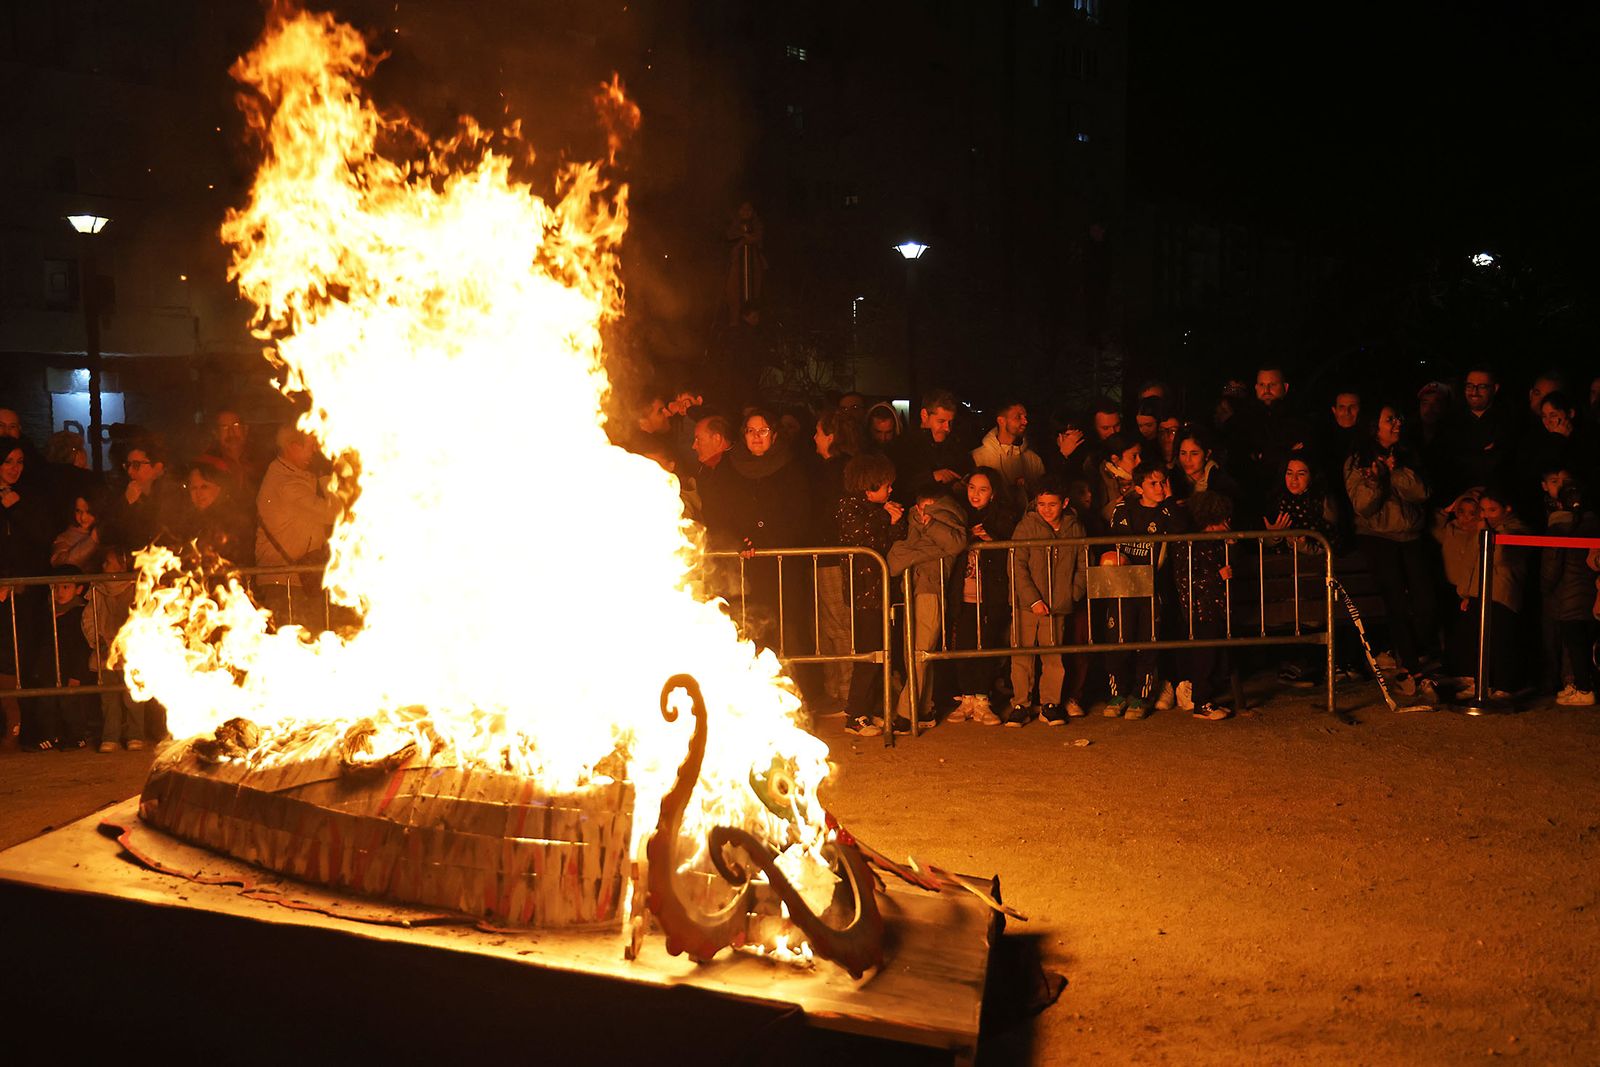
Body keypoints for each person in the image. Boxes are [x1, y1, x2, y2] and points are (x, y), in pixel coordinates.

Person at [1343, 405, 1438, 703]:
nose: (1397, 423)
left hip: (1410, 535)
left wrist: (1396, 471)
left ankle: (1406, 656)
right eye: (1390, 419)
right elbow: (1363, 506)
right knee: (1395, 600)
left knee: (1426, 602)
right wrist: (1377, 479)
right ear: (1375, 426)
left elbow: (1422, 493)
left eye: (1398, 417)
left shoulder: (1409, 454)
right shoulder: (1358, 460)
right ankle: (1410, 669)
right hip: (1377, 536)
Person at [726, 409, 814, 652]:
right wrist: (740, 541)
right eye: (751, 431)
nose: (756, 436)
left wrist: (769, 541)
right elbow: (725, 513)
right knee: (751, 630)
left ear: (774, 435)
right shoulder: (731, 470)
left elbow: (800, 516)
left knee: (790, 629)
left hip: (784, 567)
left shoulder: (792, 470)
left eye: (763, 430)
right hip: (748, 569)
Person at [1101, 460, 1183, 718]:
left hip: (1153, 587)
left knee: (1148, 642)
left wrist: (1170, 500)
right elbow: (1115, 545)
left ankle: (1141, 696)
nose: (1159, 488)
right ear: (1139, 488)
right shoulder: (1124, 509)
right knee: (1119, 640)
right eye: (1153, 484)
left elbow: (1181, 531)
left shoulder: (1169, 511)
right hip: (1123, 587)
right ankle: (1118, 694)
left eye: (1162, 482)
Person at [887, 482, 968, 731]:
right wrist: (929, 547)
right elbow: (895, 556)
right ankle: (923, 709)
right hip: (914, 588)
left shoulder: (943, 518)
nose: (923, 515)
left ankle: (905, 713)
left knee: (919, 654)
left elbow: (954, 544)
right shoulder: (917, 519)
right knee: (917, 653)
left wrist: (929, 528)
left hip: (930, 589)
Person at [1007, 478, 1087, 726]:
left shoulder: (1075, 528)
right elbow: (1017, 567)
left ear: (1064, 503)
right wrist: (1033, 600)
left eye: (1052, 504)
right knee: (1022, 654)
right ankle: (1021, 703)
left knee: (1053, 656)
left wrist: (1071, 594)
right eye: (1041, 504)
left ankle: (1050, 703)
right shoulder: (1025, 527)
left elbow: (1083, 565)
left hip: (1057, 604)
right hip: (1026, 605)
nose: (1046, 509)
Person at [836, 453, 905, 737]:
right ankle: (855, 714)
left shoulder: (881, 511)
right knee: (868, 655)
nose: (891, 490)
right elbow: (864, 537)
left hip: (884, 591)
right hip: (864, 593)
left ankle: (873, 707)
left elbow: (892, 544)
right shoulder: (848, 508)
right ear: (869, 487)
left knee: (883, 653)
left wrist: (895, 522)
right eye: (886, 486)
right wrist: (886, 519)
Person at [945, 468, 1018, 726]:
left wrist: (990, 540)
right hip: (963, 595)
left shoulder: (1003, 518)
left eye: (983, 489)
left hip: (990, 595)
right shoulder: (959, 517)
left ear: (994, 493)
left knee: (986, 644)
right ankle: (966, 699)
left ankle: (982, 699)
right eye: (972, 487)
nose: (976, 494)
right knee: (964, 645)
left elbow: (1010, 555)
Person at [255, 427, 340, 631]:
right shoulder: (287, 483)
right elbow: (334, 514)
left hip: (294, 581)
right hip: (284, 584)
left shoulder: (294, 476)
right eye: (311, 447)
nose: (315, 452)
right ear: (292, 447)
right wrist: (327, 479)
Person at [811, 408, 863, 715]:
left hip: (834, 557)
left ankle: (846, 693)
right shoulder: (838, 469)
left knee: (839, 624)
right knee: (830, 625)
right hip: (828, 555)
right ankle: (836, 689)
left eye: (818, 432)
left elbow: (825, 516)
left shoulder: (836, 471)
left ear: (831, 436)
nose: (814, 437)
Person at [1174, 491, 1235, 720]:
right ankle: (1202, 703)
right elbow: (1187, 578)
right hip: (1201, 609)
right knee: (1204, 656)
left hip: (1214, 607)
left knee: (1214, 655)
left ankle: (1206, 700)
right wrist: (1217, 576)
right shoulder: (1191, 544)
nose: (1228, 524)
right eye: (1223, 519)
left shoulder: (1213, 542)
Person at [25, 564, 95, 750]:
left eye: (66, 587)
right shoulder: (47, 612)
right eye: (56, 587)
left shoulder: (81, 613)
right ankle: (50, 736)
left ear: (78, 589)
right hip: (49, 667)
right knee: (45, 702)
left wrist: (77, 675)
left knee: (70, 703)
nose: (59, 592)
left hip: (70, 668)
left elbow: (82, 647)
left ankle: (77, 736)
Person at [83, 544, 146, 750]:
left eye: (109, 562)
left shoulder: (138, 589)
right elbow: (88, 619)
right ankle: (110, 736)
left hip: (132, 655)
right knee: (109, 699)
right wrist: (98, 641)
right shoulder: (97, 589)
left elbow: (143, 620)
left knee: (133, 697)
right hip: (104, 653)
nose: (104, 565)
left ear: (122, 564)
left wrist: (130, 646)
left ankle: (135, 735)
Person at [1543, 482, 1598, 706]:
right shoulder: (1592, 523)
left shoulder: (1566, 527)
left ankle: (1584, 689)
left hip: (1572, 593)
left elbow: (1553, 564)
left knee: (1576, 643)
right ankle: (1585, 686)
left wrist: (1546, 588)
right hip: (1590, 593)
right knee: (1587, 642)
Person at [891, 388, 971, 502]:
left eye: (950, 422)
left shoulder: (956, 444)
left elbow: (966, 470)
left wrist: (961, 484)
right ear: (924, 415)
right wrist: (932, 477)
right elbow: (898, 485)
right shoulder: (903, 446)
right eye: (941, 421)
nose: (947, 428)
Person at [102, 438, 181, 552]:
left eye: (136, 465)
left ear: (157, 468)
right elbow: (107, 534)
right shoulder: (120, 494)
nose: (129, 471)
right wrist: (126, 502)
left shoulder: (174, 496)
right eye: (128, 465)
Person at [174, 458, 256, 566]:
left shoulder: (234, 521)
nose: (198, 494)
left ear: (219, 488)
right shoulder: (187, 522)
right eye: (193, 488)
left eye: (204, 487)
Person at [970, 400, 1044, 510]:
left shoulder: (1033, 459)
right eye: (1018, 417)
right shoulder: (977, 457)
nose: (1025, 421)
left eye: (1025, 417)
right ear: (1001, 421)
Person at [1094, 432, 1141, 524]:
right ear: (1115, 459)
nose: (1139, 461)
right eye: (1134, 456)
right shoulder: (1099, 479)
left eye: (1140, 455)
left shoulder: (1145, 479)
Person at [51, 494, 102, 570]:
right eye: (78, 511)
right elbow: (63, 566)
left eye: (89, 512)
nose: (83, 517)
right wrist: (92, 540)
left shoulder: (106, 533)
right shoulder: (65, 537)